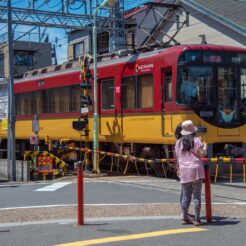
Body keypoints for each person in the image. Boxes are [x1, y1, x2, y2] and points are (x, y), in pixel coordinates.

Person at [175, 120, 207, 226]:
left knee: (185, 195)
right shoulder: (197, 141)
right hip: (196, 170)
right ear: (193, 131)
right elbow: (202, 155)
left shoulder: (178, 142)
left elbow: (178, 157)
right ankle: (197, 219)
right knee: (197, 195)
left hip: (184, 171)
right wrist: (205, 146)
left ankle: (184, 218)